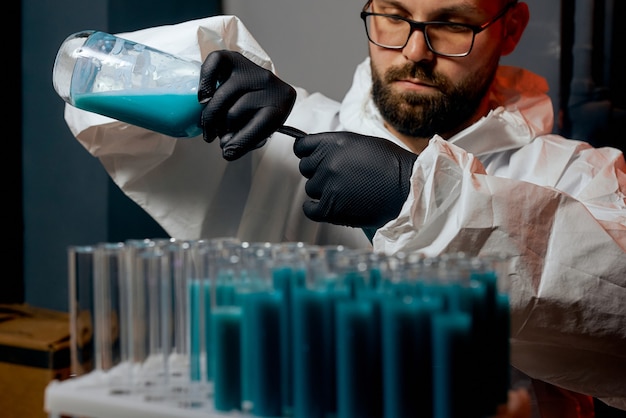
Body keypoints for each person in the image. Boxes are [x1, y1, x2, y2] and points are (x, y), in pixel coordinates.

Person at [63, 0, 626, 415]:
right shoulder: (281, 143)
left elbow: (614, 315)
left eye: (452, 24)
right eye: (393, 17)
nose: (414, 51)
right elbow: (91, 93)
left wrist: (420, 200)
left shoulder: (577, 175)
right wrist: (196, 77)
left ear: (511, 27)